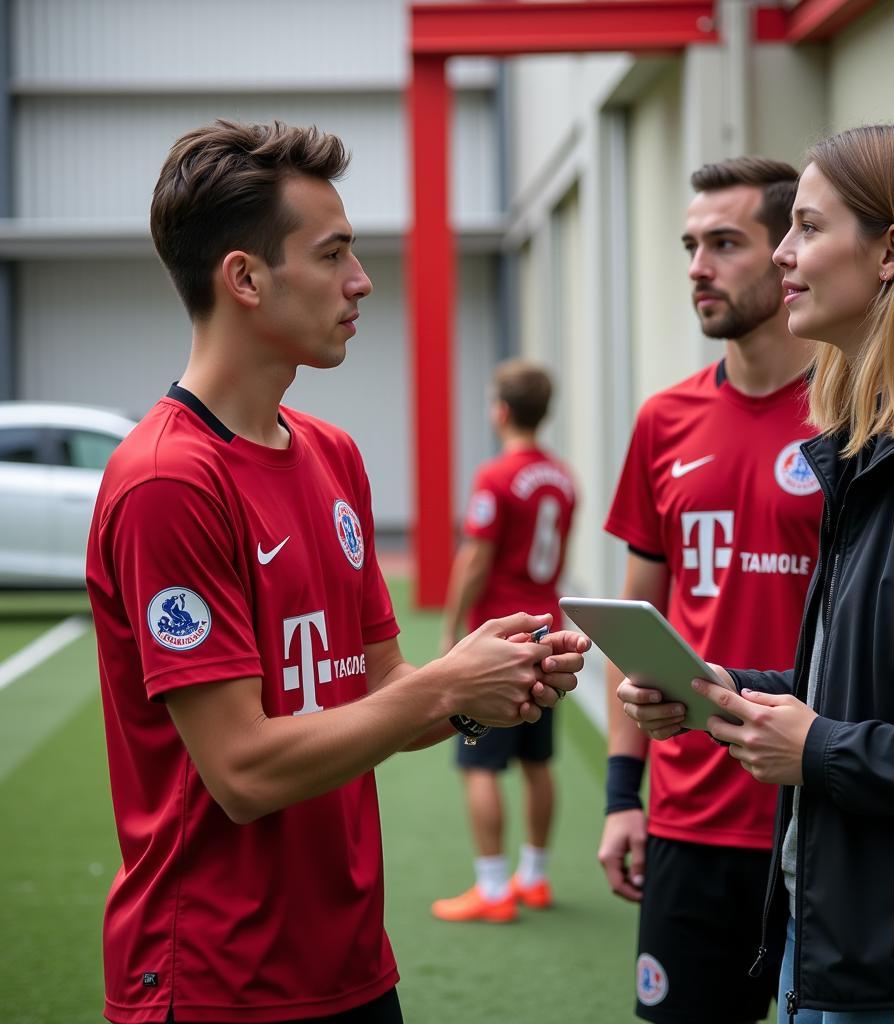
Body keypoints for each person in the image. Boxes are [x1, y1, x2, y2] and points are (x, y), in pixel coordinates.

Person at [85, 120, 590, 1024]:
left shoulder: (333, 455)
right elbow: (241, 772)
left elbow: (384, 694)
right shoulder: (170, 479)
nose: (361, 282)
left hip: (352, 964)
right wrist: (444, 683)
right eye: (333, 255)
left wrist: (488, 685)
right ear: (244, 278)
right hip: (217, 980)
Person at [621, 122, 894, 1022]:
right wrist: (727, 690)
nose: (785, 255)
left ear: (892, 252)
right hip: (841, 936)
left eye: (806, 228)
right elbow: (882, 689)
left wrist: (819, 750)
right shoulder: (876, 450)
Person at [599, 156, 822, 1023]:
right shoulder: (664, 419)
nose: (698, 265)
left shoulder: (862, 417)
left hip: (820, 808)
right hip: (689, 816)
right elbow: (637, 622)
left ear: (788, 253)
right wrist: (625, 797)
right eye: (691, 245)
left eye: (725, 242)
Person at [431, 360, 577, 923]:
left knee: (480, 763)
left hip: (501, 631)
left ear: (501, 411)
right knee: (538, 761)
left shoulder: (493, 477)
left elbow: (475, 556)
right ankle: (534, 879)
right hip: (549, 633)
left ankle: (493, 889)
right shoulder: (564, 479)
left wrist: (452, 626)